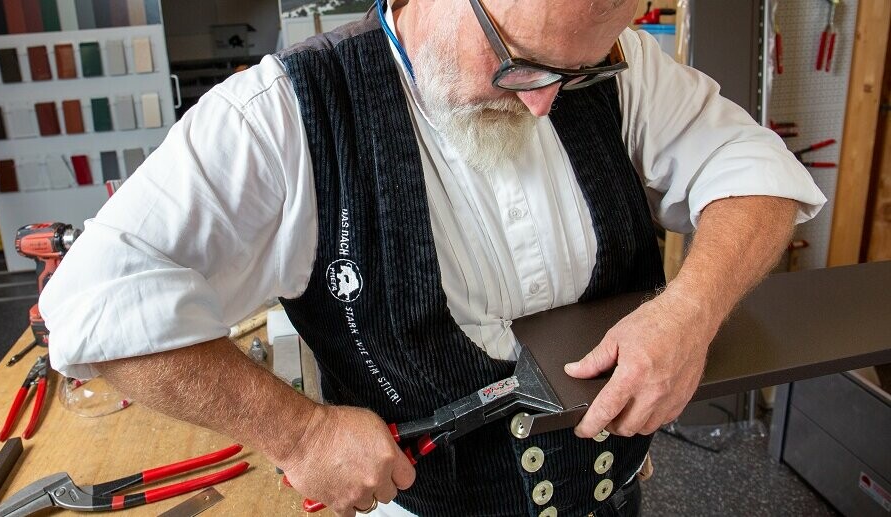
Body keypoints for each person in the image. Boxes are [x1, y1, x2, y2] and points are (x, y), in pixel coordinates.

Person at [41, 0, 826, 515]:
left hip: (616, 495)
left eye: (577, 69)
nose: (545, 99)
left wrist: (690, 311)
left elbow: (756, 174)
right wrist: (298, 432)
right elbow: (94, 302)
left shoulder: (607, 69)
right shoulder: (281, 118)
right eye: (521, 60)